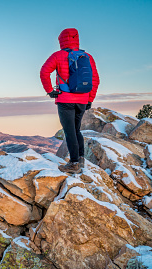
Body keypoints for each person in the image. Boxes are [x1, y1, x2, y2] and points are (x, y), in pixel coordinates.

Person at [40, 28, 100, 174]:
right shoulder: (87, 57)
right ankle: (81, 159)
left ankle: (74, 164)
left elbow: (44, 72)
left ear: (61, 40)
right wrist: (89, 99)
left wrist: (50, 91)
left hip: (65, 100)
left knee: (69, 131)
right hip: (82, 100)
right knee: (76, 129)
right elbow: (95, 80)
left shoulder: (58, 55)